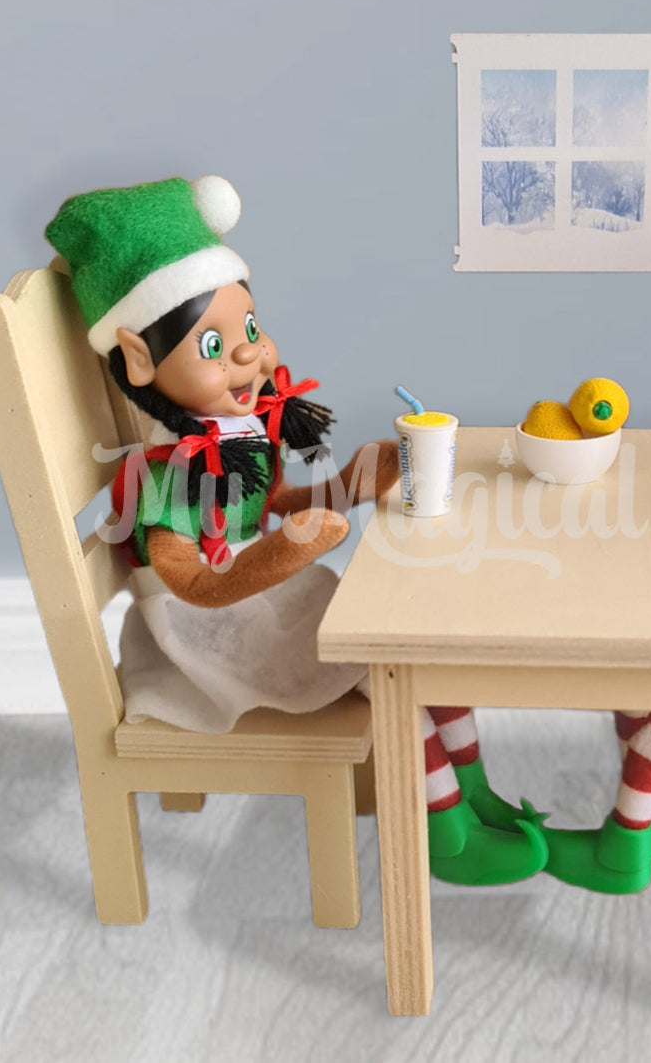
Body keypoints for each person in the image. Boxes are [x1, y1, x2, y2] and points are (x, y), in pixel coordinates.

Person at [46, 175, 546, 885]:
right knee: (397, 661)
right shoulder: (169, 470)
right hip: (206, 634)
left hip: (263, 599)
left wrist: (349, 485)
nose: (249, 353)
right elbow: (187, 578)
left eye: (249, 329)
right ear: (139, 359)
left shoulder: (237, 435)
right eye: (215, 342)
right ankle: (445, 828)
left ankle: (472, 789)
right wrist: (276, 559)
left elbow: (272, 500)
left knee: (412, 641)